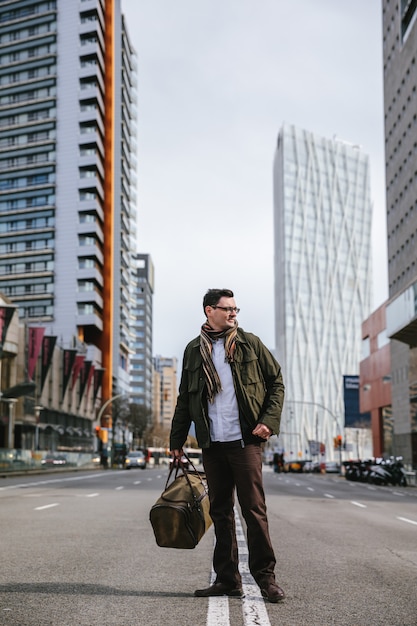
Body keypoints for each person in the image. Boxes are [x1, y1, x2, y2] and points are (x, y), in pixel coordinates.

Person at [170, 288, 285, 603]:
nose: (234, 313)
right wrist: (176, 441)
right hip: (212, 443)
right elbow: (185, 399)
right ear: (210, 311)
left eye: (236, 309)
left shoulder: (250, 344)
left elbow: (276, 383)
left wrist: (268, 421)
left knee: (254, 511)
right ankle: (227, 580)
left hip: (244, 441)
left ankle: (266, 580)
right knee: (220, 512)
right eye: (227, 308)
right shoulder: (194, 350)